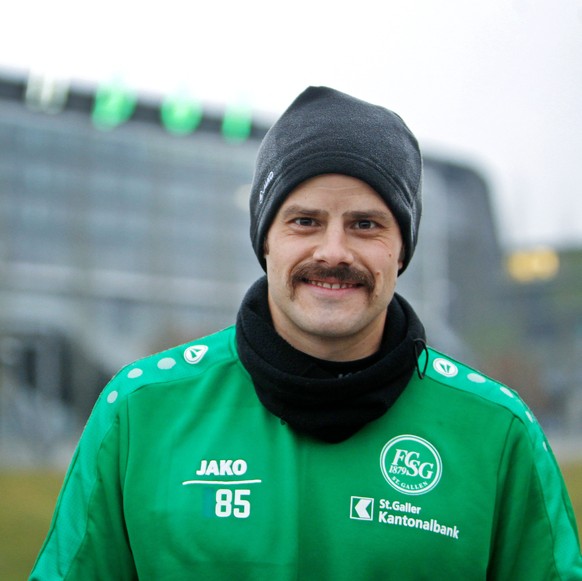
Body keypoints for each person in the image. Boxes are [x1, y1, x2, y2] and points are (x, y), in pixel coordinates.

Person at [30, 86, 582, 580]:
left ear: (401, 250)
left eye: (366, 224)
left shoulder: (496, 431)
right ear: (265, 241)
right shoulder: (141, 410)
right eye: (305, 221)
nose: (334, 252)